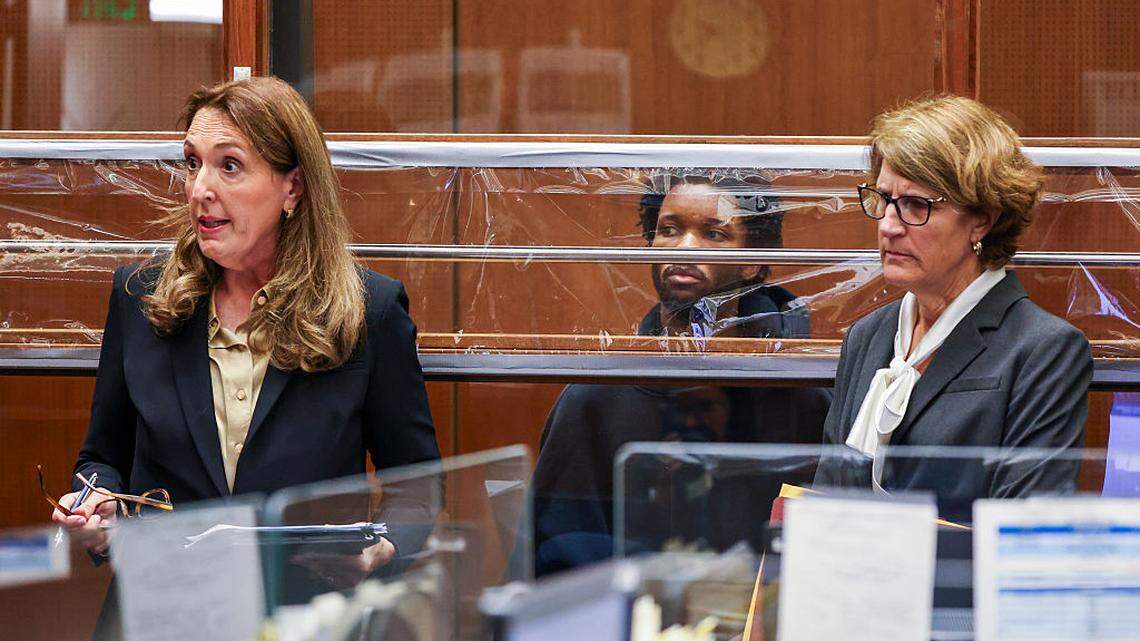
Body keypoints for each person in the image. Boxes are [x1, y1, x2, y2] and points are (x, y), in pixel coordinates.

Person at [49, 77, 439, 594]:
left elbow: (415, 483)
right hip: (166, 607)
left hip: (307, 612)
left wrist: (381, 549)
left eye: (228, 166)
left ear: (292, 188)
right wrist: (97, 508)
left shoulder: (370, 310)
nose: (200, 189)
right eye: (193, 163)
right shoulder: (139, 296)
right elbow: (101, 460)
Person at [530, 172, 831, 576]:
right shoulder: (599, 394)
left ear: (753, 260)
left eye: (714, 234)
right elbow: (557, 558)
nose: (684, 248)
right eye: (669, 230)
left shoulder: (804, 392)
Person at [814, 96, 1092, 506]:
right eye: (884, 199)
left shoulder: (1042, 349)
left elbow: (1021, 524)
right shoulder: (868, 336)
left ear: (982, 218)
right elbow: (827, 494)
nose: (889, 227)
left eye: (915, 205)